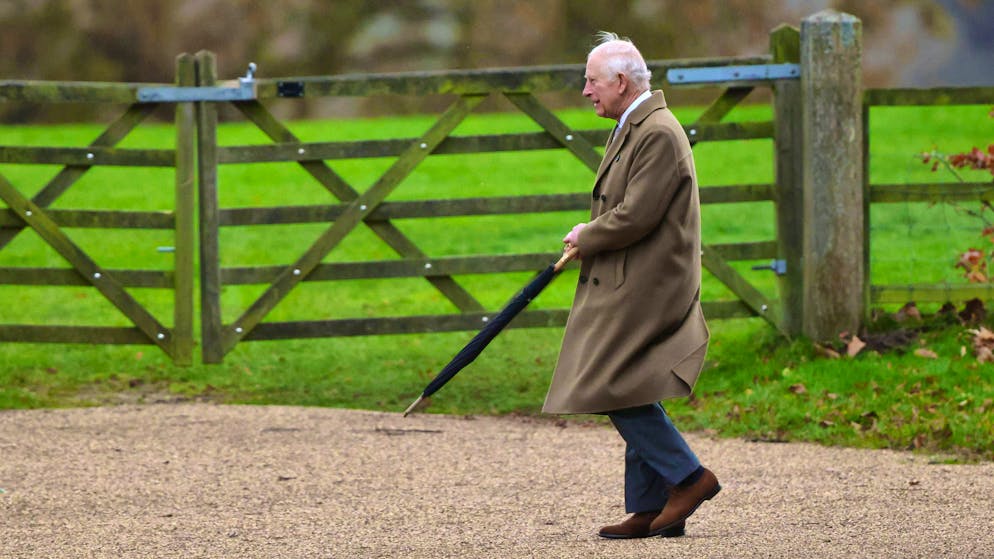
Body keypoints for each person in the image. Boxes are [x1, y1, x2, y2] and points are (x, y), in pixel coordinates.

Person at [542, 31, 720, 539]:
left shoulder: (656, 132)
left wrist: (586, 234)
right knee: (633, 381)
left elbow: (638, 215)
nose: (584, 90)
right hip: (634, 278)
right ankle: (650, 506)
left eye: (591, 80)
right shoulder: (634, 125)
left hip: (649, 283)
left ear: (621, 82)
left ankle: (688, 478)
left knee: (613, 380)